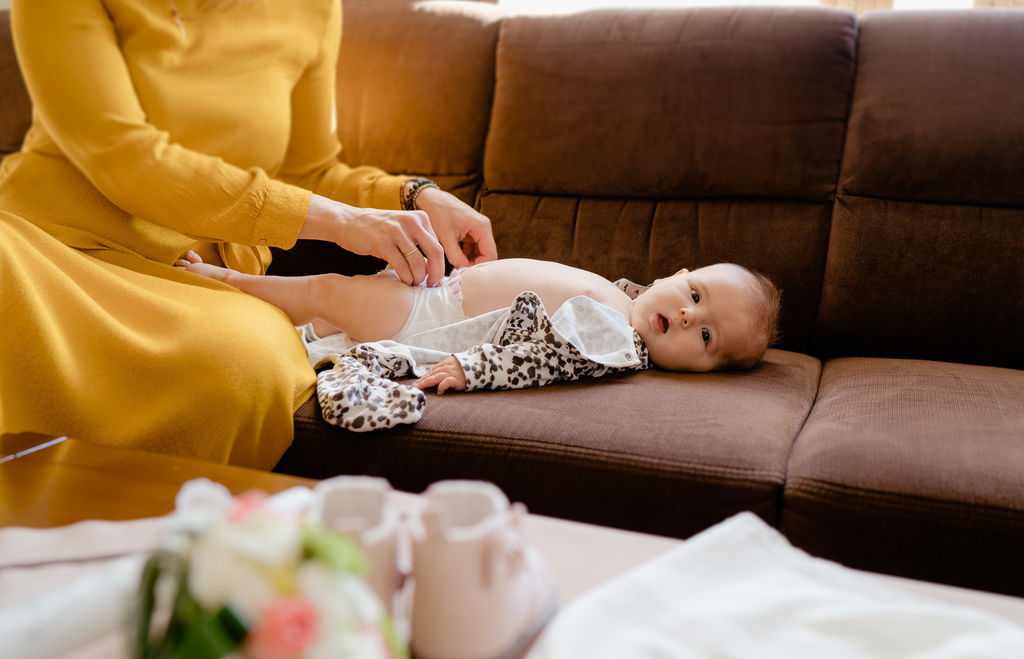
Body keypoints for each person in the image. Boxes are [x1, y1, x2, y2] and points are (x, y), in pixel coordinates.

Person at [0, 0, 497, 466]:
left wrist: (417, 195)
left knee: (244, 370)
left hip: (201, 282)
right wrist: (343, 221)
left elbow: (310, 171)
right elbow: (122, 155)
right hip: (46, 248)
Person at [175, 251, 781, 430]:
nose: (683, 314)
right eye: (694, 294)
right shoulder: (626, 300)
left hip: (431, 316)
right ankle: (225, 306)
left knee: (328, 292)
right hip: (442, 295)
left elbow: (543, 360)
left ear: (704, 371)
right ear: (676, 275)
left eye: (706, 336)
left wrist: (474, 369)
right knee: (326, 309)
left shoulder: (618, 339)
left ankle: (218, 281)